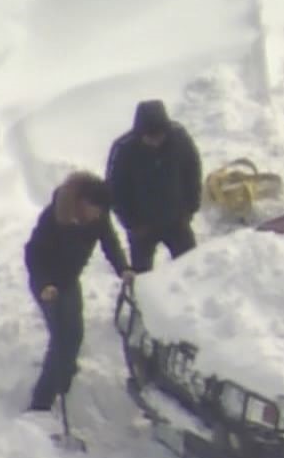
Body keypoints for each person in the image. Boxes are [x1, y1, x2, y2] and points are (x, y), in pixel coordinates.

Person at [23, 171, 132, 414]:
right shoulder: (54, 218)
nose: (99, 216)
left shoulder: (98, 218)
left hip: (69, 280)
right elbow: (33, 254)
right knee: (62, 339)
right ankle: (41, 404)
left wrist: (123, 268)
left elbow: (110, 243)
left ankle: (64, 377)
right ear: (82, 202)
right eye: (96, 209)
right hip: (48, 284)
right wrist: (45, 286)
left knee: (74, 335)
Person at [105, 99, 202, 273]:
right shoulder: (123, 149)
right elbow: (114, 191)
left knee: (191, 269)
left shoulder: (179, 139)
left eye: (159, 136)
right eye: (149, 137)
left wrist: (189, 209)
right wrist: (132, 223)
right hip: (142, 227)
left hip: (176, 220)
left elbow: (193, 172)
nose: (155, 141)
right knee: (142, 276)